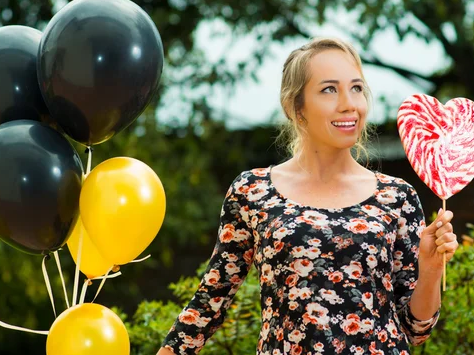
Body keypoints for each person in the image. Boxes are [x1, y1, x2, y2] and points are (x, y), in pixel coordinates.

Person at [157, 37, 458, 355]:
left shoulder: (397, 197)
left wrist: (431, 268)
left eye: (356, 88)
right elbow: (209, 304)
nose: (349, 104)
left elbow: (416, 329)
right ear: (295, 107)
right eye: (329, 89)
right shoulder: (252, 192)